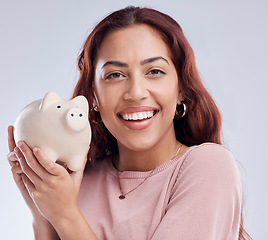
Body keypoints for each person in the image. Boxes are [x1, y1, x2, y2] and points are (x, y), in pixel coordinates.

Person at [7, 6, 251, 240]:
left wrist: (64, 215)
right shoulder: (75, 183)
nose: (135, 92)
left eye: (154, 71)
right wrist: (41, 212)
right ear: (93, 97)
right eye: (115, 75)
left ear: (181, 90)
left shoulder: (208, 167)